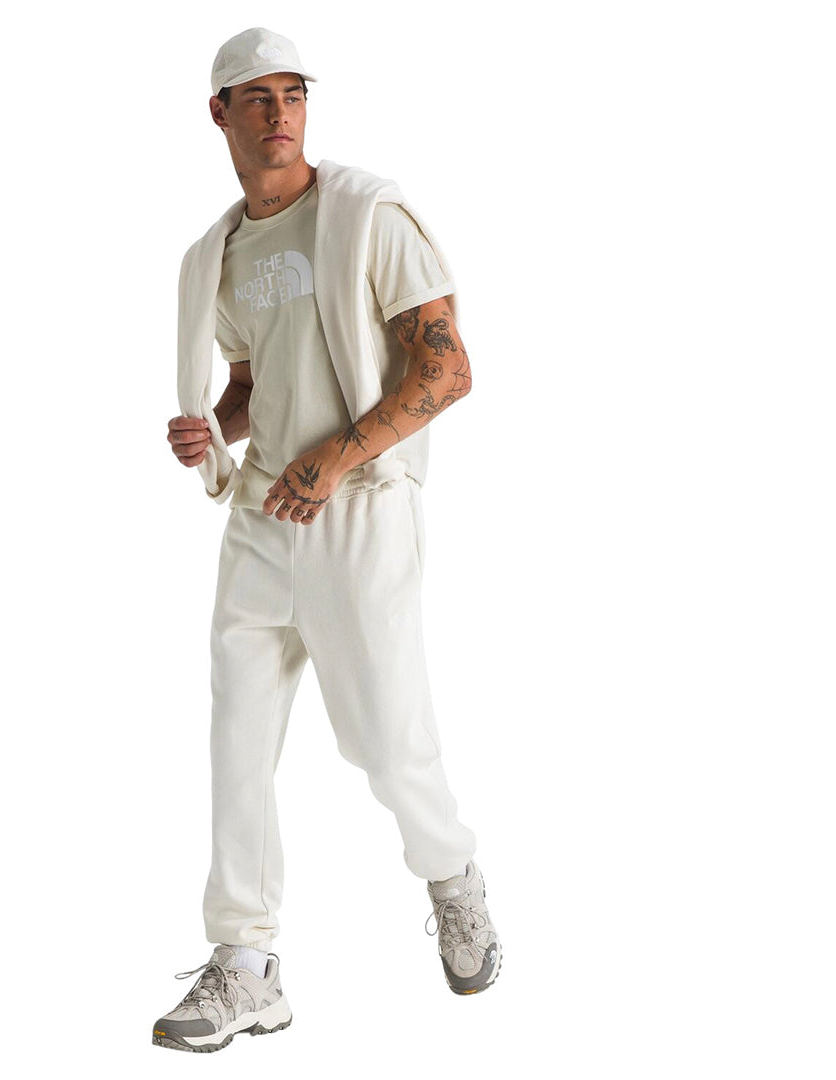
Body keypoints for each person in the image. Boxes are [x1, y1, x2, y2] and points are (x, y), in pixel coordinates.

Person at [153, 28, 500, 1054]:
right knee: (237, 745)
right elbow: (254, 382)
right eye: (255, 97)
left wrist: (336, 458)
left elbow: (447, 369)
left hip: (358, 512)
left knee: (387, 745)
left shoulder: (367, 215)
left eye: (293, 93)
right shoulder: (216, 257)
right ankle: (246, 964)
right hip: (261, 519)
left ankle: (453, 877)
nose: (279, 113)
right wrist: (213, 430)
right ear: (218, 113)